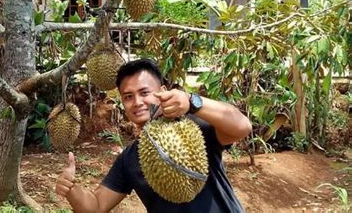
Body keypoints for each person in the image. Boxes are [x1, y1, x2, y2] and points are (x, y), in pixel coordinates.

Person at [55, 59, 252, 212]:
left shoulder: (194, 126)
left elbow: (242, 126)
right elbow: (97, 206)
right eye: (128, 97)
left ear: (163, 91)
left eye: (144, 92)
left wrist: (192, 101)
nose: (137, 102)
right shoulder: (130, 159)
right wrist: (72, 190)